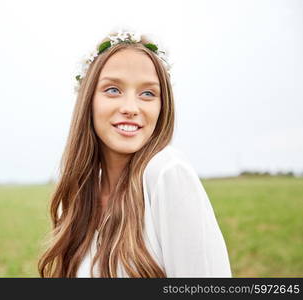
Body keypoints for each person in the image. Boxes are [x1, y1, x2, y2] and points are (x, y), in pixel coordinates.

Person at [37, 30, 232, 278]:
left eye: (148, 94)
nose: (130, 108)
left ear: (163, 106)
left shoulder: (167, 174)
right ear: (88, 100)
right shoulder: (78, 195)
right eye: (113, 90)